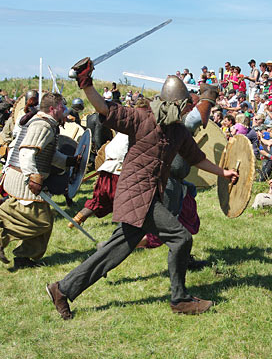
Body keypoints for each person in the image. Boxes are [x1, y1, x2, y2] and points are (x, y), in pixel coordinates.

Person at [46, 61, 238, 319]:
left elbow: (195, 158)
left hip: (147, 196)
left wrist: (223, 172)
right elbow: (105, 108)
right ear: (172, 105)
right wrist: (86, 83)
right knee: (181, 238)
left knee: (116, 250)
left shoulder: (178, 132)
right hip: (138, 195)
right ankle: (180, 299)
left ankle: (62, 289)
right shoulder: (141, 119)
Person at [0, 93, 81, 270]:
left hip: (21, 175)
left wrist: (68, 161)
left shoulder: (44, 123)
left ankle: (24, 257)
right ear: (52, 108)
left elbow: (49, 154)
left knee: (42, 218)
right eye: (61, 107)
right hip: (25, 178)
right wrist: (33, 177)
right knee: (42, 221)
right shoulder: (42, 125)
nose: (64, 110)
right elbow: (27, 152)